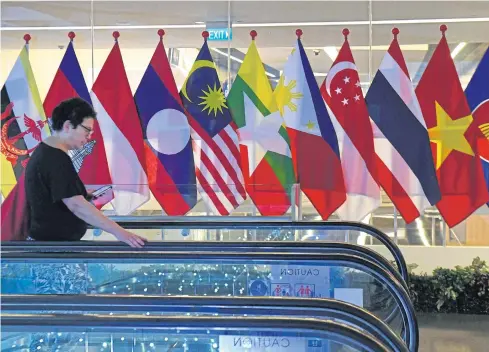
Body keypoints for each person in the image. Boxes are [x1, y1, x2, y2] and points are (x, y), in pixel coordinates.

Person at [25, 97, 146, 248]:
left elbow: (54, 193)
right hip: (53, 251)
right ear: (68, 126)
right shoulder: (55, 159)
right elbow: (77, 205)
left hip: (53, 246)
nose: (89, 137)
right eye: (87, 130)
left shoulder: (47, 152)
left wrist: (82, 192)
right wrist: (120, 233)